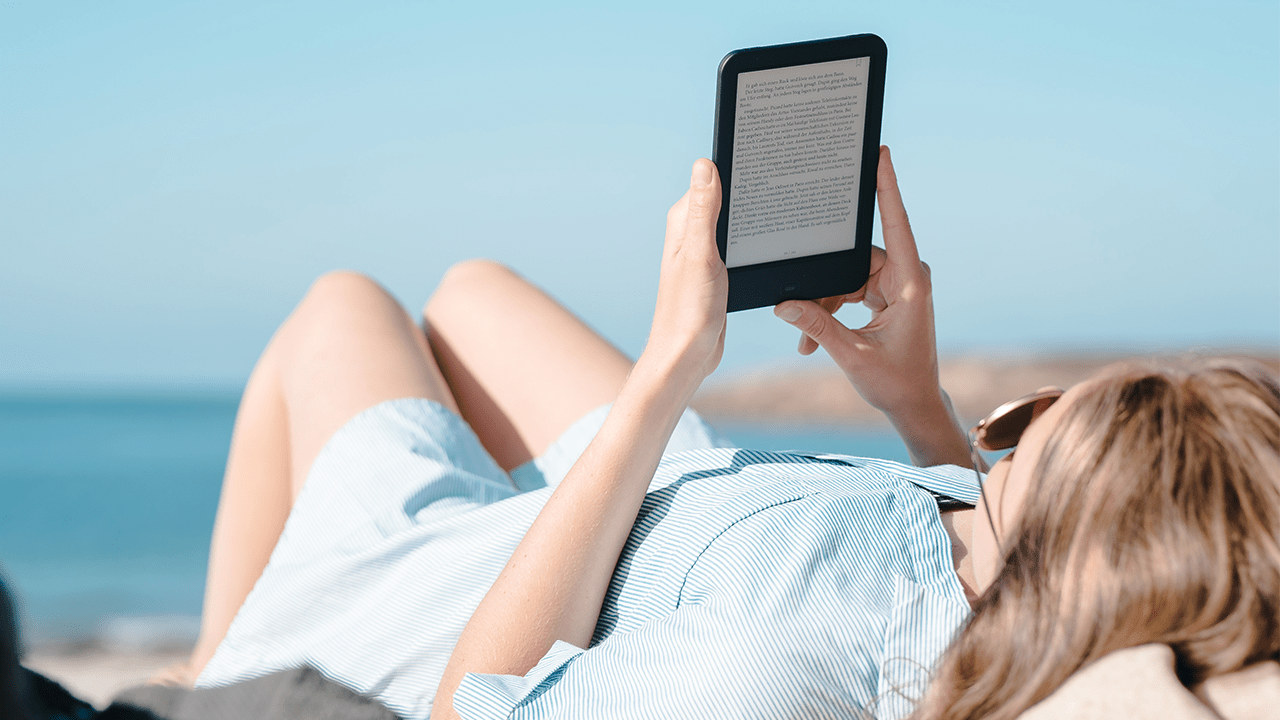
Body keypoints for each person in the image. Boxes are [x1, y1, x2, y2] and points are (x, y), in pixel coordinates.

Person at [148, 147, 1278, 720]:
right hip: (690, 512)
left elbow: (469, 711)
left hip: (477, 578)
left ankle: (209, 678)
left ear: (1080, 532)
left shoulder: (778, 653)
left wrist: (661, 375)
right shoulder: (982, 558)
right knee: (473, 291)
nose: (1000, 442)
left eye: (1021, 432)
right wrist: (914, 406)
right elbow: (967, 536)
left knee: (342, 306)